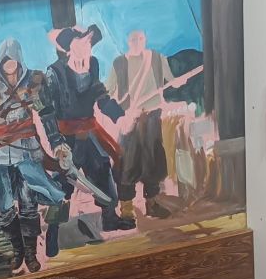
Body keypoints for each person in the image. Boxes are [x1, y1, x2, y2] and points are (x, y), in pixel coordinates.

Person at [0, 39, 65, 276]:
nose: (10, 64)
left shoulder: (34, 81)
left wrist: (57, 143)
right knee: (2, 206)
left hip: (28, 151)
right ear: (0, 61)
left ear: (20, 59)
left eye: (13, 59)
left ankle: (30, 254)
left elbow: (47, 115)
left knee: (28, 204)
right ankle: (17, 249)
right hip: (0, 154)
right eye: (6, 60)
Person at [43, 25, 134, 239]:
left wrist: (120, 115)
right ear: (69, 47)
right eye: (82, 42)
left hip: (90, 130)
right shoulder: (54, 72)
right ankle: (53, 229)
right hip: (66, 135)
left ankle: (110, 218)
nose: (87, 46)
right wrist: (56, 142)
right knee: (64, 178)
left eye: (89, 42)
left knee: (102, 168)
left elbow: (100, 95)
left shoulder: (92, 64)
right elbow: (47, 112)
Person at [106, 30, 187, 222]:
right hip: (130, 118)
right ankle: (127, 209)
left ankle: (152, 204)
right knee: (127, 162)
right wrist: (119, 114)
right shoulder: (119, 63)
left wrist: (178, 82)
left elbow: (171, 81)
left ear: (145, 39)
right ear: (128, 41)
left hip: (152, 116)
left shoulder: (157, 58)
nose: (137, 42)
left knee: (153, 160)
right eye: (133, 39)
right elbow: (108, 90)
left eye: (140, 38)